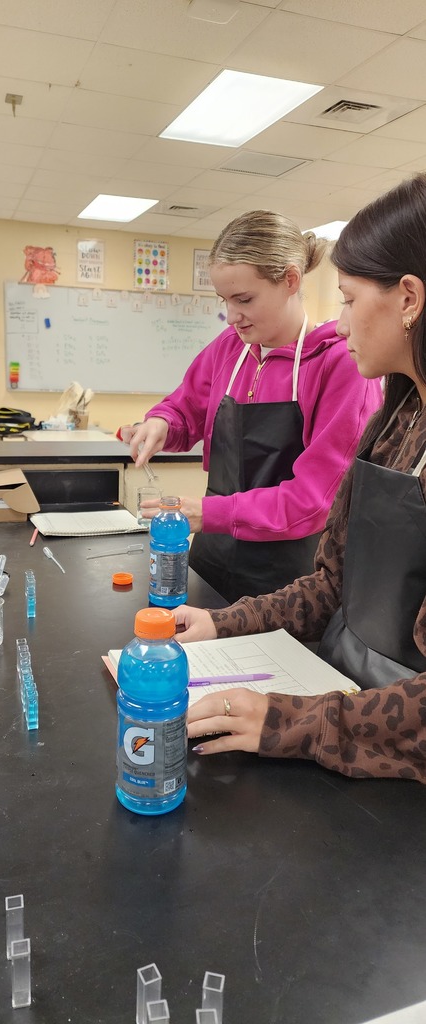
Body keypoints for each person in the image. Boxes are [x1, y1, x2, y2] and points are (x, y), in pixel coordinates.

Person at [173, 173, 426, 785]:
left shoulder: (345, 375)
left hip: (381, 756)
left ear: (409, 299)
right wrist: (220, 622)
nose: (337, 326)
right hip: (345, 703)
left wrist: (291, 722)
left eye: (346, 298)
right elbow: (333, 587)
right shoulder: (397, 419)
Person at [118, 210, 382, 603]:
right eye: (225, 300)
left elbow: (313, 501)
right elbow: (184, 408)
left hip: (288, 584)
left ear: (290, 280)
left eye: (244, 299)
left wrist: (209, 513)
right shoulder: (230, 348)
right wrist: (159, 422)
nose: (232, 317)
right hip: (209, 565)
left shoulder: (340, 365)